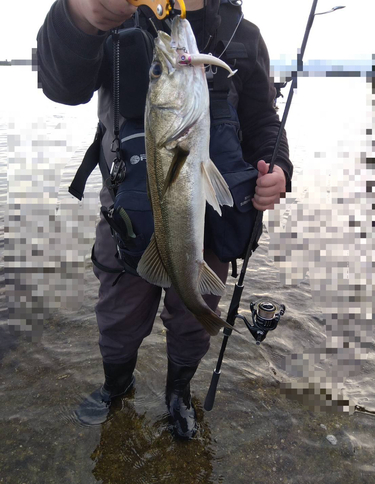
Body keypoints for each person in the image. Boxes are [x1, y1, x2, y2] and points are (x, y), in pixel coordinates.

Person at [37, 0, 293, 439]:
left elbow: (262, 117)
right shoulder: (120, 19)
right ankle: (117, 385)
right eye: (160, 72)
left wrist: (280, 167)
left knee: (196, 314)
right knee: (118, 314)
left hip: (211, 218)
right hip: (127, 213)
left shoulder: (241, 33)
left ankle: (178, 392)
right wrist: (81, 15)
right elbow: (61, 83)